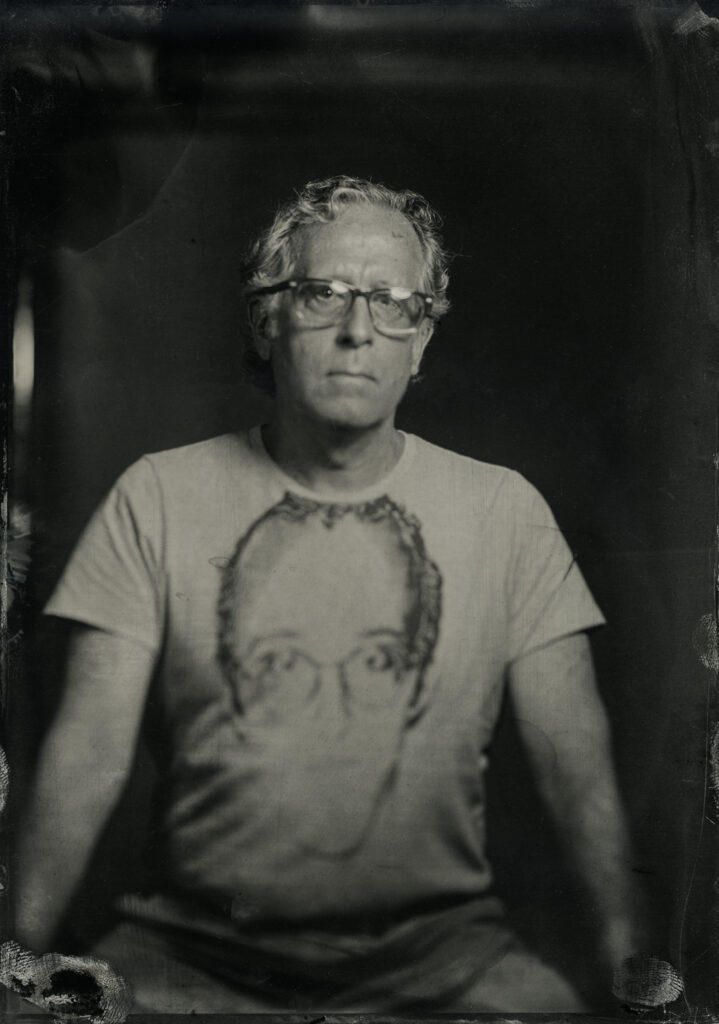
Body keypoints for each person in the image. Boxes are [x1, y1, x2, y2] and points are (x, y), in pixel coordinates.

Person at [14, 175, 653, 1012]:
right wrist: (17, 959)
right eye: (322, 293)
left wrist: (643, 976)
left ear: (421, 340)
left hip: (444, 960)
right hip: (188, 958)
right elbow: (87, 753)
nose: (359, 332)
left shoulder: (503, 509)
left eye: (394, 302)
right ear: (264, 316)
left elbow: (575, 767)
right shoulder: (158, 495)